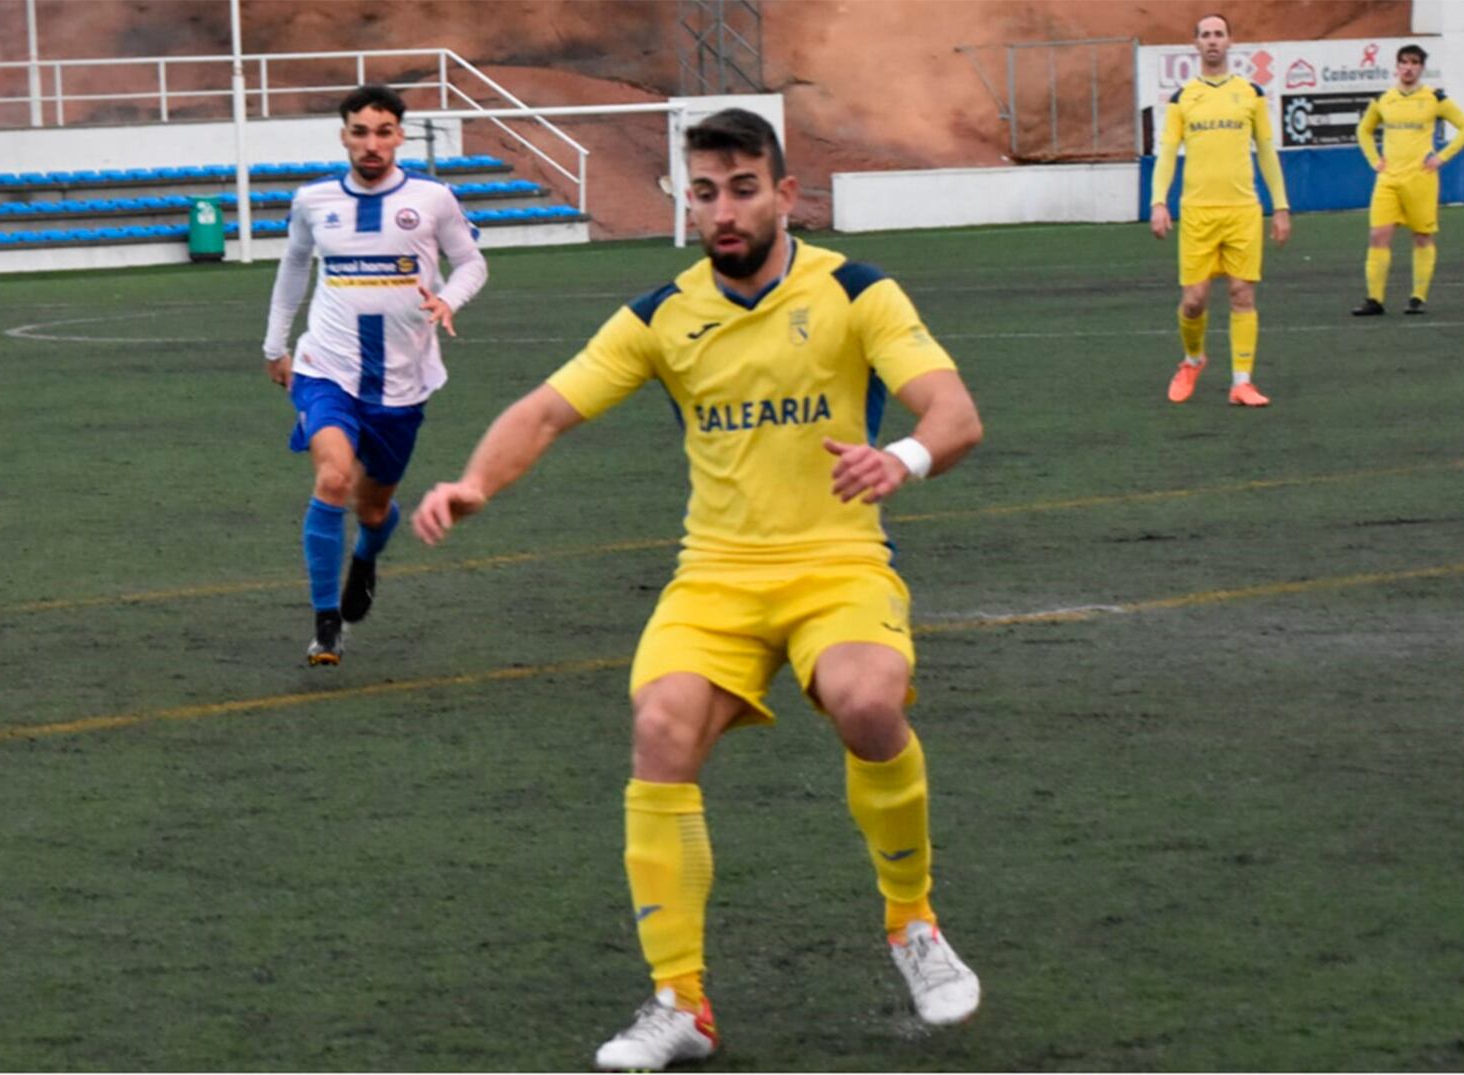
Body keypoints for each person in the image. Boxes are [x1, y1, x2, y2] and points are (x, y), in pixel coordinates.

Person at [412, 108, 985, 1071]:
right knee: (660, 729)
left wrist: (904, 458)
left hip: (838, 562)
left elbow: (955, 411)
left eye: (743, 188)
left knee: (866, 699)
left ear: (784, 192)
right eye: (706, 191)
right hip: (715, 575)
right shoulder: (661, 314)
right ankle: (681, 1002)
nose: (724, 209)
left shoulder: (854, 290)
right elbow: (548, 409)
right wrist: (475, 482)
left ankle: (912, 924)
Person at [262, 84, 487, 666]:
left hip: (402, 382)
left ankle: (365, 559)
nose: (371, 144)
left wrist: (449, 301)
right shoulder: (313, 201)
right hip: (324, 368)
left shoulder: (433, 198)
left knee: (373, 508)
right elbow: (292, 269)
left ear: (399, 136)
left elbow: (471, 262)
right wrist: (275, 345)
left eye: (383, 132)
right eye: (359, 132)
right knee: (333, 479)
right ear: (343, 136)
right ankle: (326, 622)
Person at [1149, 13, 1292, 408]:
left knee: (1242, 294)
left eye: (1219, 34)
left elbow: (1266, 152)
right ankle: (1193, 359)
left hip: (1243, 210)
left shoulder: (1251, 93)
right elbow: (1165, 156)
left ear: (1230, 42)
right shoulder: (1182, 99)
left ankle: (1241, 382)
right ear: (1195, 44)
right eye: (1206, 35)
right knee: (1194, 300)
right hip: (1197, 212)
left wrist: (1281, 207)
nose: (1213, 41)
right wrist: (1158, 200)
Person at [1350, 43, 1464, 317]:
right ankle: (1374, 299)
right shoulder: (1384, 99)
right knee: (1378, 235)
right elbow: (1364, 130)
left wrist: (1441, 157)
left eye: (1414, 63)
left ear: (1421, 68)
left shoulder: (1434, 98)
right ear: (1396, 67)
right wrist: (1374, 160)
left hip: (1421, 179)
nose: (1408, 68)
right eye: (1404, 62)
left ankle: (1417, 297)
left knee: (1422, 237)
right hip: (1389, 179)